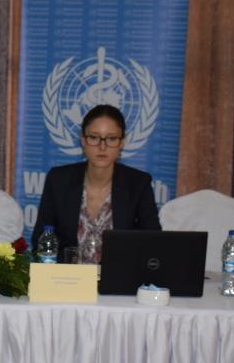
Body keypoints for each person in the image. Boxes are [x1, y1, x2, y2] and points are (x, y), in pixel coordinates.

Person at [31, 104, 161, 263]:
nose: (102, 146)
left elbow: (153, 243)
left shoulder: (138, 184)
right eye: (94, 137)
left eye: (112, 138)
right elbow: (41, 240)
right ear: (83, 140)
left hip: (117, 282)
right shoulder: (58, 180)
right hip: (68, 280)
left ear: (122, 143)